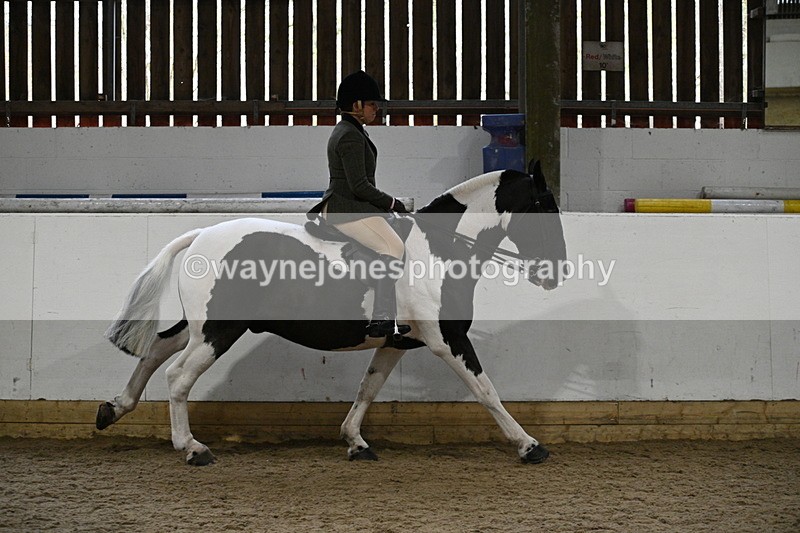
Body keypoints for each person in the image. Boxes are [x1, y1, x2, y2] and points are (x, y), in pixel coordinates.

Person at [308, 70, 411, 339]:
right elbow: (359, 186)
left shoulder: (352, 130)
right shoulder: (350, 135)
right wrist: (392, 202)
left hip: (353, 206)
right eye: (372, 104)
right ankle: (382, 319)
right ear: (356, 105)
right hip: (347, 208)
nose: (376, 109)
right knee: (393, 246)